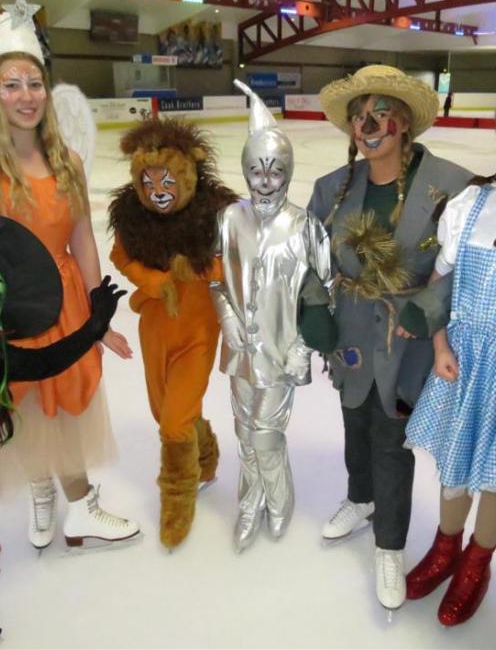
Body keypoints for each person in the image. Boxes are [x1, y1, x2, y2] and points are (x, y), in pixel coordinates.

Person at [306, 64, 473, 610]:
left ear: (403, 123)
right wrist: (314, 306)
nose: (366, 124)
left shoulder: (451, 186)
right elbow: (309, 262)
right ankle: (361, 499)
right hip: (350, 333)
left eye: (378, 113)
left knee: (390, 436)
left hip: (411, 339)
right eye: (358, 116)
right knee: (354, 416)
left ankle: (389, 545)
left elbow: (470, 264)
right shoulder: (332, 189)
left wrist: (433, 304)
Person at [0, 0, 139, 549]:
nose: (25, 95)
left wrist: (98, 311)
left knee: (66, 401)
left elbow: (81, 236)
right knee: (30, 404)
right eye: (10, 83)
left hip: (66, 302)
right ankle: (52, 496)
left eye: (33, 83)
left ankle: (73, 503)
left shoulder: (68, 162)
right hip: (16, 305)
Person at [211, 80, 335, 552]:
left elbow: (323, 294)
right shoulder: (229, 219)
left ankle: (279, 500)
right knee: (244, 432)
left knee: (266, 437)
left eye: (275, 171)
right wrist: (229, 324)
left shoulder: (305, 226)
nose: (265, 180)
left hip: (281, 352)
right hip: (240, 351)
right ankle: (250, 501)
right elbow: (219, 282)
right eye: (256, 170)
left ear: (288, 172)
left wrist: (302, 349)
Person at [109, 117, 237, 548]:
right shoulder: (131, 217)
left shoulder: (216, 213)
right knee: (162, 410)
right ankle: (206, 457)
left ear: (188, 174)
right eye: (148, 181)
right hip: (154, 327)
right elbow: (120, 257)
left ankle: (176, 500)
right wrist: (155, 282)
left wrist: (199, 268)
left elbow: (241, 263)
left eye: (167, 179)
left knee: (174, 422)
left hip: (198, 332)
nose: (158, 190)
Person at [404, 174, 496, 626]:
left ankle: (477, 562)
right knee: (455, 467)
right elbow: (437, 291)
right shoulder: (472, 206)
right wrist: (440, 347)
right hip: (465, 360)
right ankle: (446, 547)